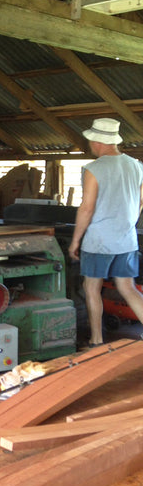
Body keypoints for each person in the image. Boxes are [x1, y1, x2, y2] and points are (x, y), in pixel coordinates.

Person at [68, 118, 143, 346]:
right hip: (127, 240)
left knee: (91, 287)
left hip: (99, 241)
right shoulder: (136, 165)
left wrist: (75, 241)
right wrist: (127, 223)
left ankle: (96, 341)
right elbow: (140, 201)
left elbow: (87, 207)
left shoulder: (94, 168)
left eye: (91, 139)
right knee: (127, 287)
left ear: (98, 141)